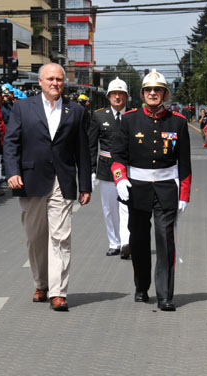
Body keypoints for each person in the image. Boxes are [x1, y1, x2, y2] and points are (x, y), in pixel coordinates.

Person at [3, 63, 92, 312]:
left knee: (61, 237)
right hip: (31, 179)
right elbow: (11, 143)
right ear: (40, 82)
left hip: (62, 181)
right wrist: (12, 172)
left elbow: (82, 151)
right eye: (50, 79)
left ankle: (58, 292)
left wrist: (85, 185)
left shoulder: (75, 111)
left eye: (59, 80)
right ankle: (41, 283)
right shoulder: (22, 108)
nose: (55, 83)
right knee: (35, 238)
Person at [111, 69, 192, 312]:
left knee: (165, 240)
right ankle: (141, 285)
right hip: (136, 190)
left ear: (165, 94)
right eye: (149, 90)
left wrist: (184, 194)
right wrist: (120, 179)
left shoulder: (177, 122)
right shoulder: (129, 120)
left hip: (167, 189)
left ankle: (165, 295)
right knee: (138, 241)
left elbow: (185, 163)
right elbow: (117, 157)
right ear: (142, 94)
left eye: (158, 90)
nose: (153, 93)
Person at [88, 77, 131, 259]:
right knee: (109, 208)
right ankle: (113, 242)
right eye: (114, 94)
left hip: (129, 168)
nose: (118, 97)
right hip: (107, 169)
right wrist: (91, 171)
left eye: (121, 94)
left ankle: (126, 242)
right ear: (108, 96)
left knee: (128, 207)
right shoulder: (99, 116)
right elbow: (91, 145)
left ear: (126, 97)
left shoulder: (133, 116)